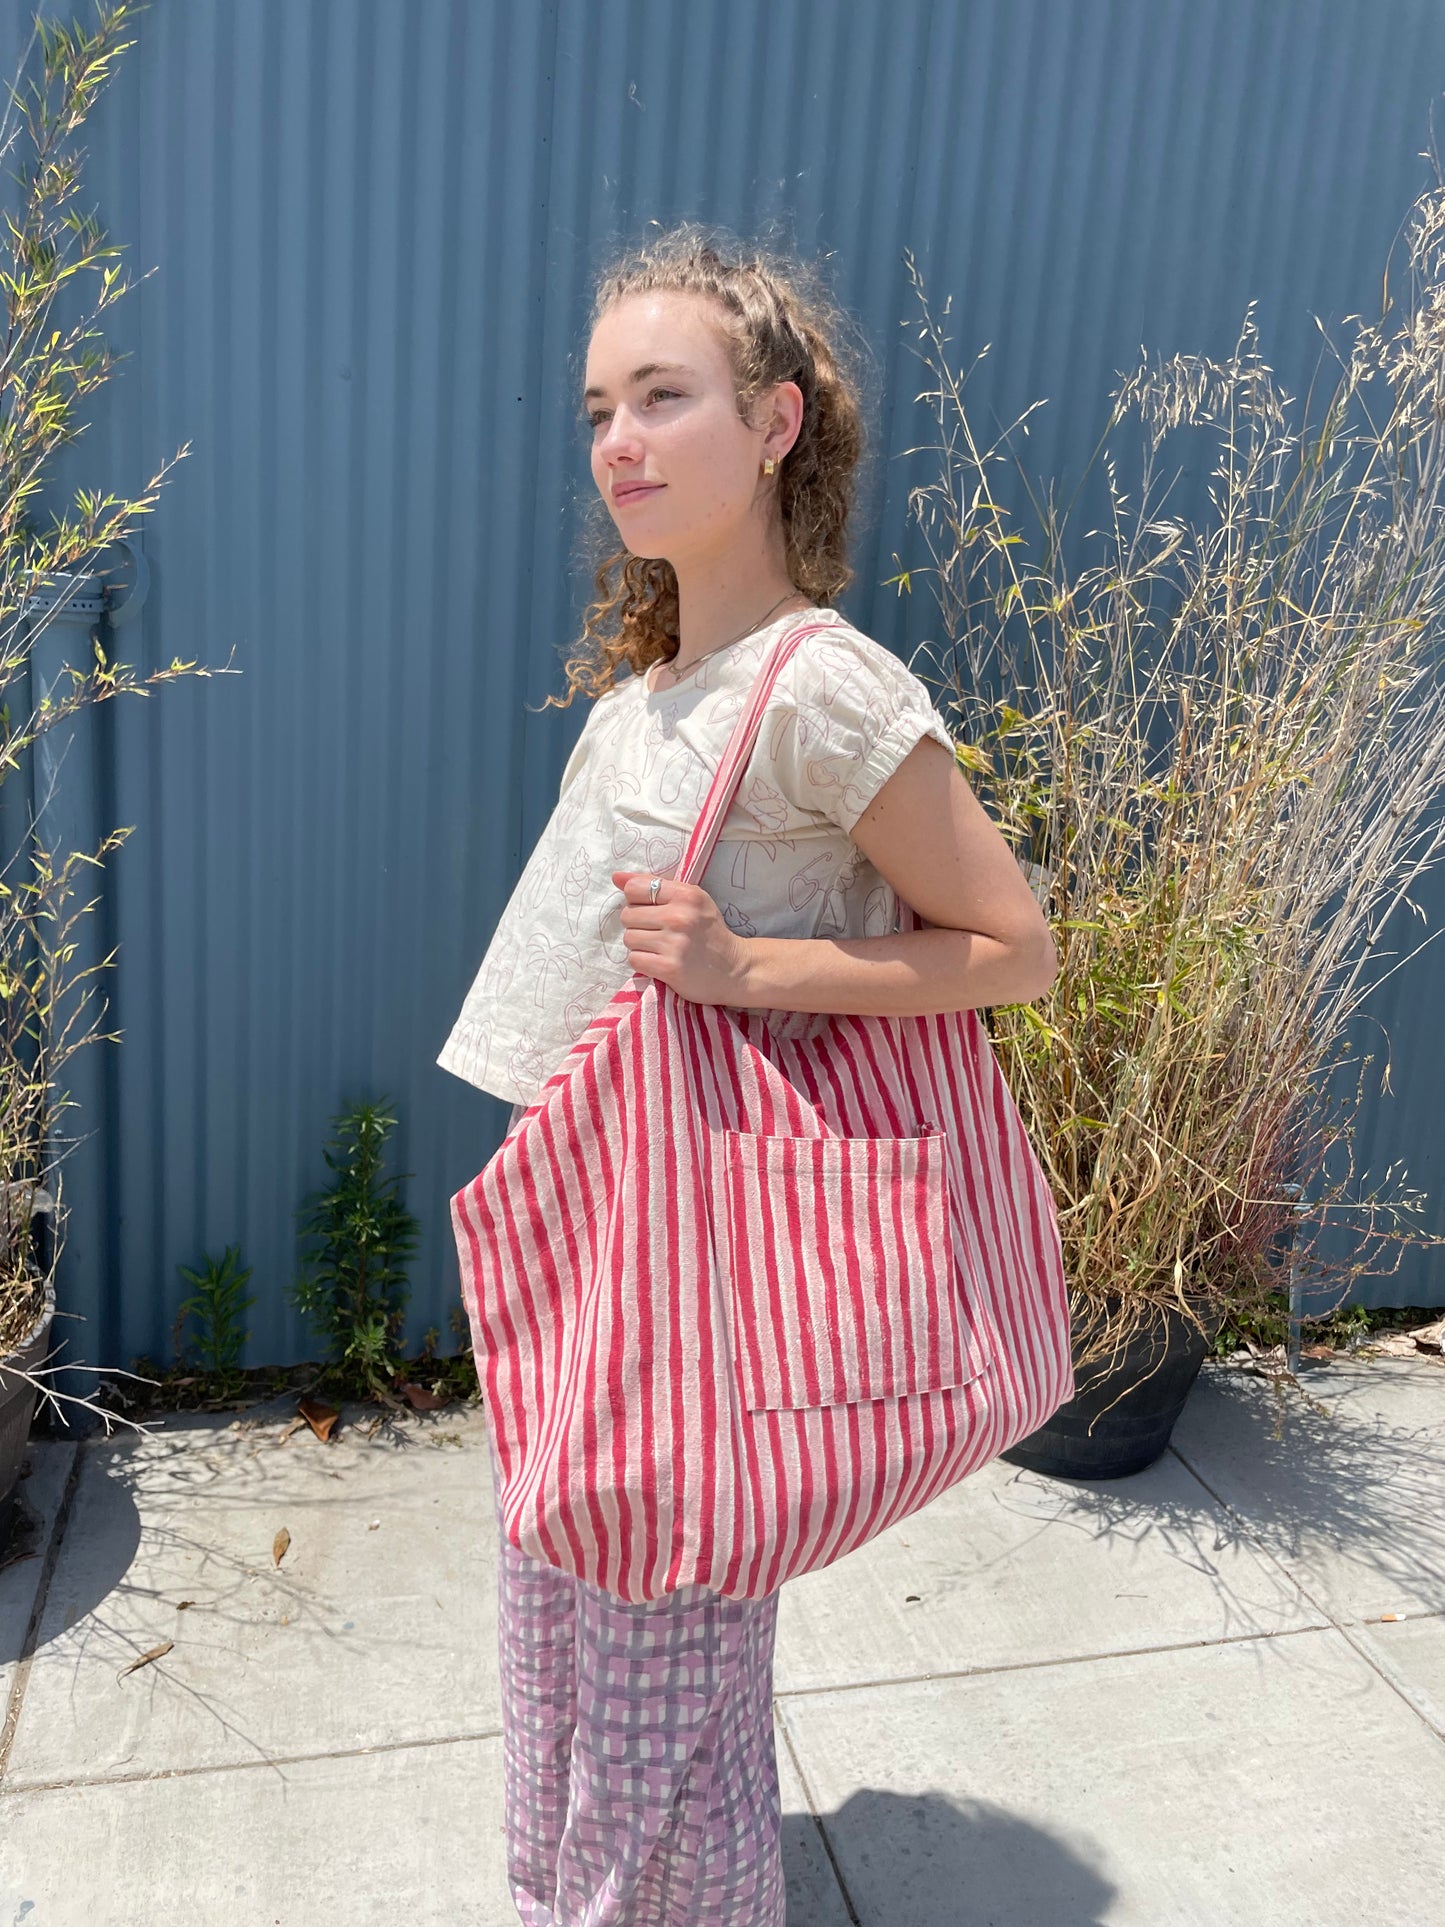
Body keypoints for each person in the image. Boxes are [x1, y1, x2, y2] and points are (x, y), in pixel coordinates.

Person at [437, 223, 1056, 1927]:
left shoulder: (824, 690)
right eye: (594, 409)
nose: (616, 440)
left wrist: (744, 970)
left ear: (776, 424)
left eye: (662, 396)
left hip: (692, 1289)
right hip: (591, 1255)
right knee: (570, 1674)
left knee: (658, 1718)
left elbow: (1012, 945)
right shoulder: (649, 696)